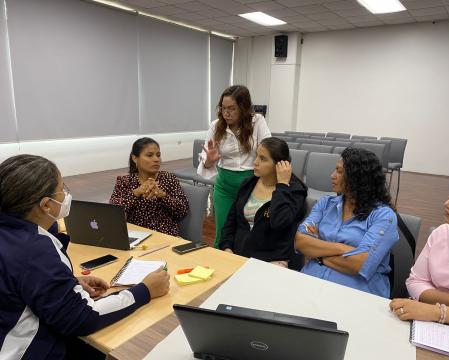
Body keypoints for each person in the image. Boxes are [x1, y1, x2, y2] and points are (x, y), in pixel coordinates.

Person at [0, 154, 170, 360]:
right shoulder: (34, 250)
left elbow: (17, 282)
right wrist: (144, 291)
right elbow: (84, 318)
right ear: (46, 205)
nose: (65, 194)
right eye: (62, 189)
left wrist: (66, 282)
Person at [295, 148, 399, 298]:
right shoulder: (325, 204)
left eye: (339, 171)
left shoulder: (383, 216)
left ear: (357, 177)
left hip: (354, 293)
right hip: (310, 283)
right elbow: (300, 241)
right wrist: (343, 248)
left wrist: (318, 255)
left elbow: (360, 264)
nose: (332, 176)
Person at [390, 169, 449, 331]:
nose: (447, 203)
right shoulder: (442, 234)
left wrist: (437, 312)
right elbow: (415, 281)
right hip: (429, 326)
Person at [198, 85, 271, 247]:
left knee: (249, 233)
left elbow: (269, 149)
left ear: (243, 108)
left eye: (231, 108)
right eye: (223, 108)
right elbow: (206, 159)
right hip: (224, 186)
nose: (226, 113)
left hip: (252, 186)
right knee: (223, 233)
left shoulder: (257, 121)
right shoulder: (216, 126)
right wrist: (210, 160)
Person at [219, 137, 307, 266]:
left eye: (263, 159)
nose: (255, 162)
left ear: (279, 165)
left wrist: (282, 185)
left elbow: (279, 222)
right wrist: (227, 247)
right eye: (256, 156)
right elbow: (231, 222)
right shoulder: (248, 184)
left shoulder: (295, 191)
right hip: (239, 254)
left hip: (271, 259)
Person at [110, 137, 188, 237]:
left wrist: (162, 195)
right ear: (135, 158)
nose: (156, 159)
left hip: (165, 236)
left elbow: (182, 211)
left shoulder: (169, 178)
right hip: (135, 236)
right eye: (149, 155)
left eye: (158, 155)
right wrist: (136, 192)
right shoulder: (125, 181)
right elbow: (113, 214)